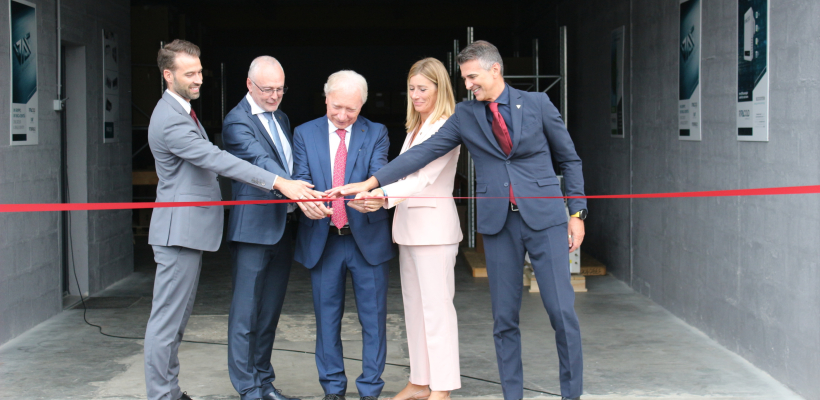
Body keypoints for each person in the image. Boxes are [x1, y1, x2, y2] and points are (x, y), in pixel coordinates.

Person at [330, 41, 588, 400]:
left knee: (561, 312)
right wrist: (373, 182)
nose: (467, 84)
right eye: (464, 78)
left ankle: (571, 394)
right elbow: (422, 153)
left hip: (545, 221)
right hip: (499, 227)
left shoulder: (537, 104)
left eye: (472, 77)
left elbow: (570, 159)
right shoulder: (465, 116)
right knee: (504, 320)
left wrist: (576, 213)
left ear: (494, 70)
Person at [144, 40, 328, 400]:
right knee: (167, 323)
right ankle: (163, 394)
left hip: (192, 231)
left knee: (175, 322)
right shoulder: (170, 118)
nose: (199, 79)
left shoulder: (183, 111)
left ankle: (171, 390)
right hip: (179, 230)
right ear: (168, 75)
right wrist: (281, 184)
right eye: (190, 73)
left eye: (199, 71)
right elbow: (218, 160)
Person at [346, 58, 463, 400]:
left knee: (437, 309)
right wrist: (377, 195)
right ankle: (420, 381)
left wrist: (379, 195)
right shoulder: (416, 127)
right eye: (412, 89)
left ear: (440, 90)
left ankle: (442, 387)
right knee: (414, 309)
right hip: (410, 229)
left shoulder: (446, 126)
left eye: (423, 89)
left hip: (435, 231)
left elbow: (421, 177)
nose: (415, 95)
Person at [291, 70, 395, 400]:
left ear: (362, 105)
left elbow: (380, 172)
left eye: (351, 109)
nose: (342, 116)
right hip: (324, 239)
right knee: (326, 319)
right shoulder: (304, 133)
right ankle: (333, 389)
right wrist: (308, 202)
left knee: (374, 320)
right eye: (336, 107)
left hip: (367, 238)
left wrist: (373, 195)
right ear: (326, 98)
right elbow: (301, 177)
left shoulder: (376, 132)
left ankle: (370, 390)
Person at [222, 56, 317, 400]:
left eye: (280, 89)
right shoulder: (237, 122)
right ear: (249, 85)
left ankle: (264, 381)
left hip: (282, 225)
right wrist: (292, 187)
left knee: (269, 313)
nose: (275, 96)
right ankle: (247, 387)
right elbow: (261, 163)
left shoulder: (281, 117)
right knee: (246, 312)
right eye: (268, 89)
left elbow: (290, 162)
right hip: (253, 230)